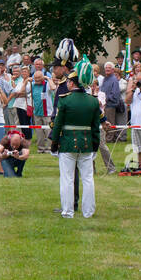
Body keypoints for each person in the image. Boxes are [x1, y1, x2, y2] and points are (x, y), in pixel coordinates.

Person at [51, 57, 100, 218]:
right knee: (87, 178)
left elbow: (57, 124)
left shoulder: (65, 101)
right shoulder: (93, 102)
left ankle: (68, 211)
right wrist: (95, 145)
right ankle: (88, 211)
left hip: (67, 144)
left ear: (72, 83)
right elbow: (95, 128)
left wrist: (54, 144)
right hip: (86, 144)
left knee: (67, 179)